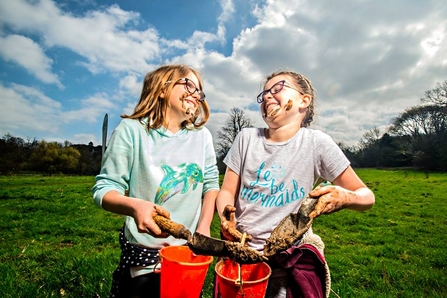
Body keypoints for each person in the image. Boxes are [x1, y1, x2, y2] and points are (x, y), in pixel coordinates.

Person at [215, 70, 375, 298]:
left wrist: (345, 196)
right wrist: (225, 216)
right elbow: (227, 191)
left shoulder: (317, 144)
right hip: (240, 259)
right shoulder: (246, 138)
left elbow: (367, 197)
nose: (268, 96)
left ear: (304, 100)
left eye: (277, 88)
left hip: (285, 264)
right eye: (264, 94)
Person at [92, 64, 220, 298]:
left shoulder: (202, 137)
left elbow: (210, 184)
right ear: (161, 89)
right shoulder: (131, 131)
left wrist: (204, 227)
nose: (196, 94)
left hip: (187, 251)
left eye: (200, 91)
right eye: (188, 84)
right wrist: (134, 206)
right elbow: (105, 188)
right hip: (144, 254)